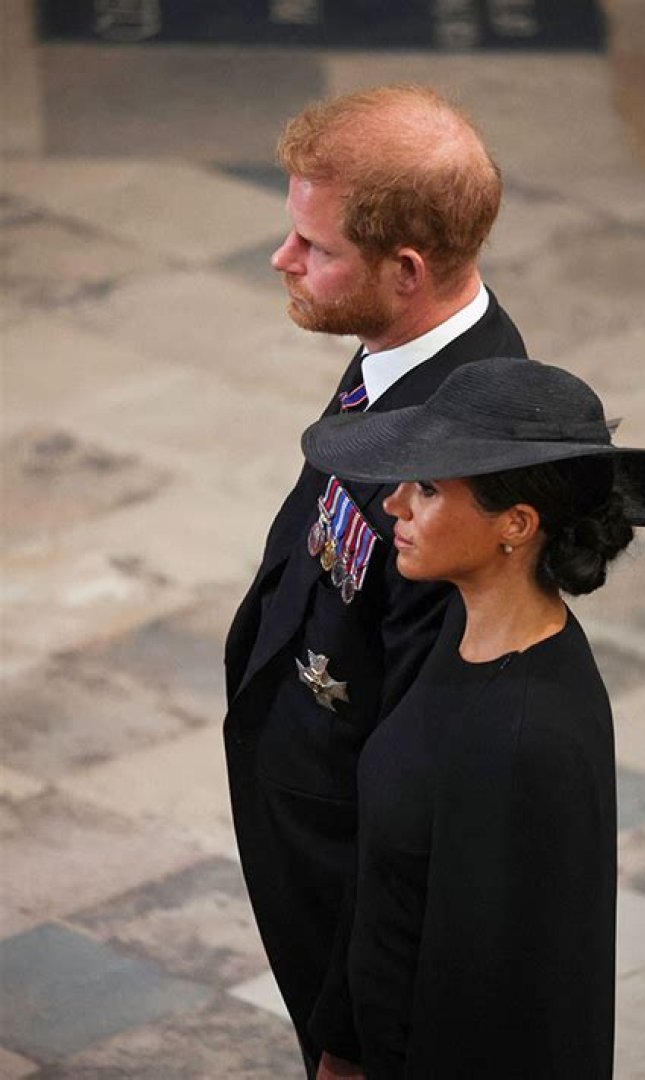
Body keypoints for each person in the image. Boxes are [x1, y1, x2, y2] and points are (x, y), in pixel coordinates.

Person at [300, 356, 645, 1078]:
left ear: (516, 526)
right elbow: (389, 884)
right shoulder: (458, 639)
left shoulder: (527, 737)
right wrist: (341, 1049)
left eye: (427, 489)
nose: (394, 505)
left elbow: (498, 1008)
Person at [223, 84, 526, 1078]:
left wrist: (350, 1031)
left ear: (405, 270)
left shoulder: (460, 475)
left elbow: (417, 784)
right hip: (305, 827)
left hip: (348, 879)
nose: (284, 260)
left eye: (315, 248)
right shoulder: (403, 352)